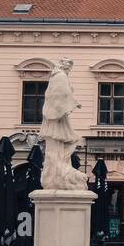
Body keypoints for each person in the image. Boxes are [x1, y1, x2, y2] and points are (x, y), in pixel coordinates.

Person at [40, 58, 89, 190]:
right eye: (69, 67)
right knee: (69, 141)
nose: (69, 70)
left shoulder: (56, 77)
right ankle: (58, 174)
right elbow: (61, 94)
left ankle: (58, 172)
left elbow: (59, 95)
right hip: (57, 117)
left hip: (56, 117)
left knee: (66, 142)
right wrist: (73, 101)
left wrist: (71, 100)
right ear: (65, 67)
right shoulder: (60, 76)